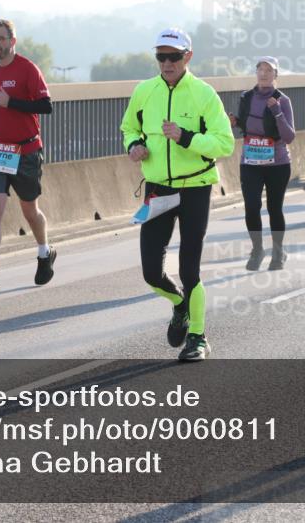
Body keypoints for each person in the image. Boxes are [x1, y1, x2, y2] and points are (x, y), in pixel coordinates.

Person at [120, 28, 235, 361]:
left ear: (188, 56)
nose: (167, 63)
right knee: (151, 273)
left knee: (189, 269)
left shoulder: (204, 94)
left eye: (173, 56)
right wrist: (134, 145)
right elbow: (129, 127)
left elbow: (224, 143)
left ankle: (198, 338)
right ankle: (179, 304)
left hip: (195, 187)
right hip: (157, 189)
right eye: (161, 56)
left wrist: (186, 137)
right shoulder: (144, 91)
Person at [0, 19, 55, 293]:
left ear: (12, 41)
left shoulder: (27, 69)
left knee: (30, 210)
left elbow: (46, 106)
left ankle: (44, 252)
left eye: (0, 38)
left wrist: (12, 103)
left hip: (26, 150)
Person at [229, 56, 296, 271]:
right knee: (251, 207)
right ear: (256, 73)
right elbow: (245, 126)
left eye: (269, 70)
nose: (264, 74)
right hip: (250, 161)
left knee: (274, 208)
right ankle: (257, 249)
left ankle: (278, 252)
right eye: (260, 69)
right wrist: (234, 122)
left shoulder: (282, 100)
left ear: (276, 75)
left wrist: (277, 112)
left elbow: (289, 136)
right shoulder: (246, 97)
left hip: (277, 163)